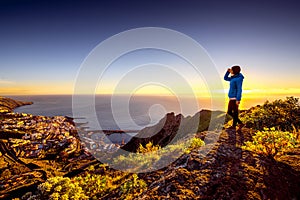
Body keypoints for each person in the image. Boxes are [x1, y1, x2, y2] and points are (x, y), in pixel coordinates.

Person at [224, 65, 244, 130]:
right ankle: (239, 124)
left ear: (234, 71)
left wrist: (238, 99)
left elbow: (239, 89)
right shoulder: (233, 78)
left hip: (235, 98)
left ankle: (235, 126)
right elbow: (225, 78)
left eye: (232, 70)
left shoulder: (238, 79)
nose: (231, 70)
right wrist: (228, 72)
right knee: (230, 112)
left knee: (232, 112)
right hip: (231, 98)